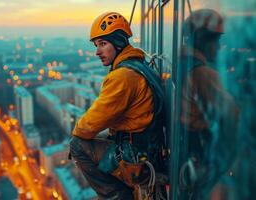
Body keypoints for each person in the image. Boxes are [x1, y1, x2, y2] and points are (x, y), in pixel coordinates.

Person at [69, 12, 167, 199]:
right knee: (98, 136)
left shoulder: (123, 76)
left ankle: (116, 195)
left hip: (137, 155)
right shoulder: (140, 65)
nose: (97, 51)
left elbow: (88, 126)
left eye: (103, 44)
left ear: (119, 42)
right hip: (148, 146)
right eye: (96, 45)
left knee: (77, 145)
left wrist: (78, 130)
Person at [179, 9, 239, 199]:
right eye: (216, 40)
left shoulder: (182, 65)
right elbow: (231, 114)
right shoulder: (202, 73)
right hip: (201, 157)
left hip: (187, 152)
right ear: (203, 41)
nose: (219, 47)